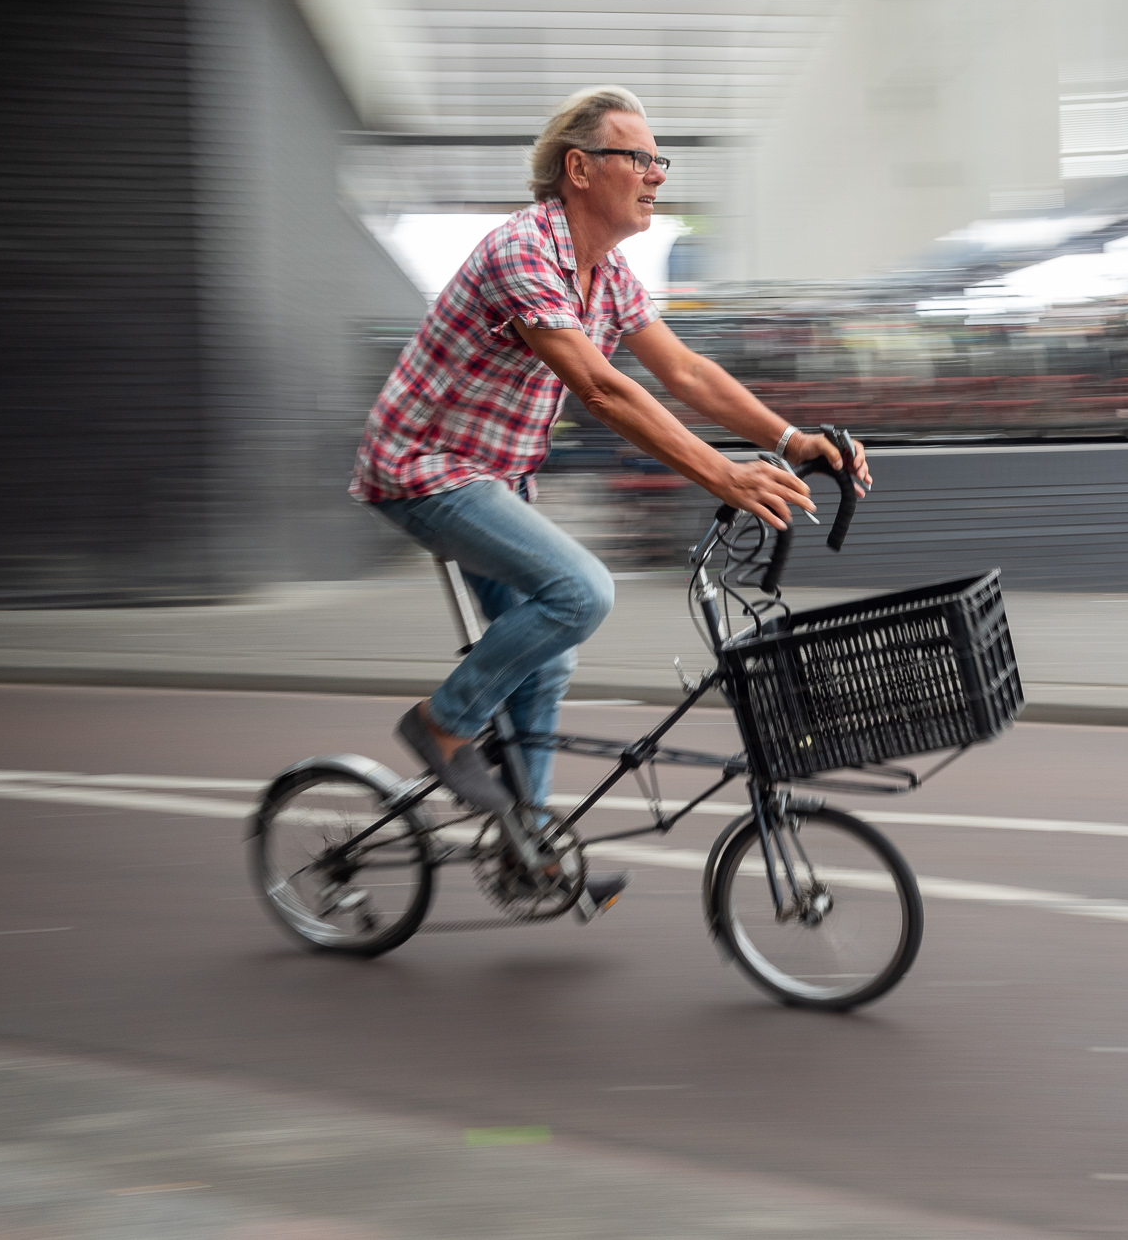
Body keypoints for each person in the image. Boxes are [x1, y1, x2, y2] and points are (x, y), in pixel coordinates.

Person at [349, 86, 870, 908]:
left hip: (497, 476)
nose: (657, 174)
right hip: (422, 467)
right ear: (580, 169)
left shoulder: (609, 273)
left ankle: (528, 845)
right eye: (641, 157)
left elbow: (685, 372)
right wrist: (720, 474)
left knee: (548, 650)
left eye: (660, 159)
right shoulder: (524, 252)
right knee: (580, 591)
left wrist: (789, 439)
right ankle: (443, 727)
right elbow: (598, 387)